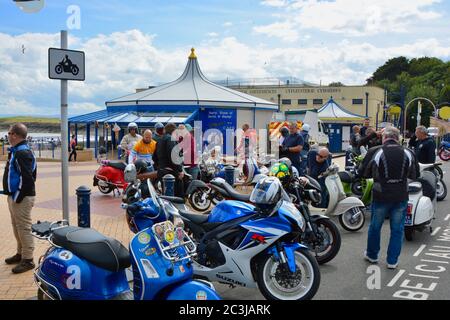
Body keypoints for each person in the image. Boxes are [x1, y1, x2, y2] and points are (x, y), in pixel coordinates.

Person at [358, 127, 419, 269]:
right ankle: (392, 261)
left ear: (384, 138)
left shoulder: (375, 151)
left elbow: (363, 172)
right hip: (401, 195)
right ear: (398, 138)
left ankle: (372, 255)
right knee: (397, 229)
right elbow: (414, 175)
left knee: (375, 226)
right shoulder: (408, 152)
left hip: (381, 195)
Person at [3, 123, 37, 274]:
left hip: (21, 198)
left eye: (9, 133)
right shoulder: (16, 151)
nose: (7, 135)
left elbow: (28, 179)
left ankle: (28, 260)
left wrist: (17, 196)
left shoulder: (23, 153)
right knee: (17, 227)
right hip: (15, 196)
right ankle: (20, 254)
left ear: (15, 135)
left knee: (23, 228)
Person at [153, 123, 184, 197]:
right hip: (170, 172)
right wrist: (179, 170)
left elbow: (154, 157)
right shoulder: (170, 139)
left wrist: (160, 167)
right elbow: (173, 156)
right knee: (177, 196)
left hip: (161, 171)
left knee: (165, 196)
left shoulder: (159, 140)